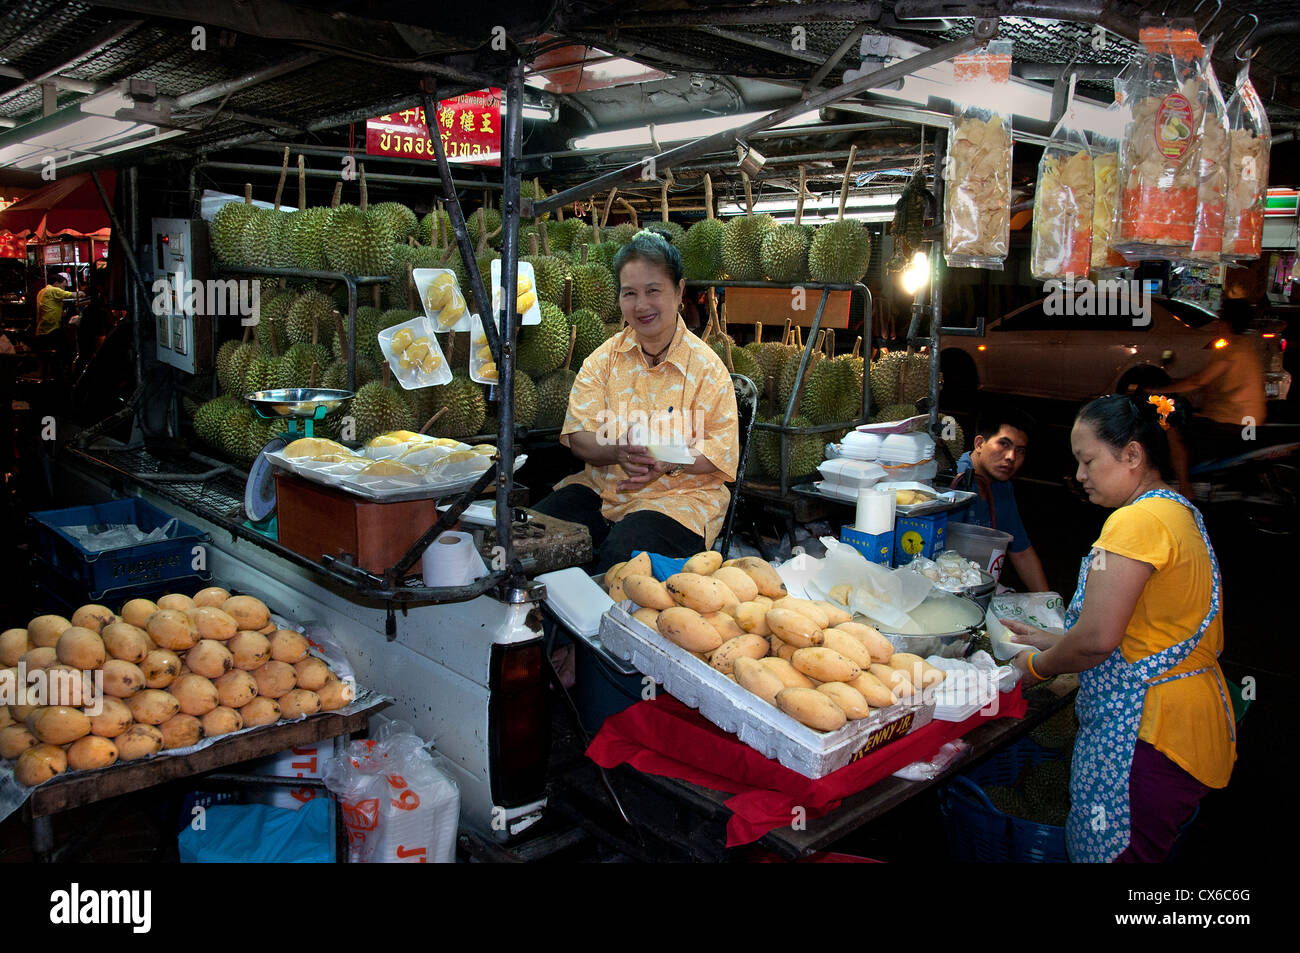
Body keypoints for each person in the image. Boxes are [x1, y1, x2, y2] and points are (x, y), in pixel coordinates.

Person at [1001, 393, 1235, 863]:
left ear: (1132, 454)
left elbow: (1097, 642)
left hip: (1148, 732)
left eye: (1088, 460)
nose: (1080, 475)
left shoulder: (1136, 521)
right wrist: (1060, 640)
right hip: (1188, 723)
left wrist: (1039, 665)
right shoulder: (1176, 510)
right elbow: (1145, 627)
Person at [531, 226, 739, 574]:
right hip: (601, 491)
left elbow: (720, 453)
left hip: (678, 502)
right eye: (629, 293)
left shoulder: (707, 369)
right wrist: (617, 452)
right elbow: (580, 436)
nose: (641, 305)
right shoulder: (602, 361)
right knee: (529, 540)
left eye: (653, 290)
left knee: (623, 563)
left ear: (679, 292)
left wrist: (666, 458)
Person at [1163, 298, 1267, 494]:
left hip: (1232, 421)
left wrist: (1159, 390)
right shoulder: (1246, 346)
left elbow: (1199, 380)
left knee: (1172, 431)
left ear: (1225, 321)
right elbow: (1211, 384)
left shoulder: (1231, 348)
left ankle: (1185, 488)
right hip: (1250, 420)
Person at [949, 405, 1049, 592]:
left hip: (978, 584)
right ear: (979, 444)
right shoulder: (953, 482)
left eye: (1020, 451)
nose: (1011, 457)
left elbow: (1021, 551)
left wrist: (1046, 602)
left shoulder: (1002, 487)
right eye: (1004, 444)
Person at [34, 272, 84, 343]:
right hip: (50, 329)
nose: (63, 289)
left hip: (42, 328)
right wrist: (82, 293)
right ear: (56, 283)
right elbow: (72, 295)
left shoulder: (42, 291)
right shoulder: (53, 290)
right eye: (63, 286)